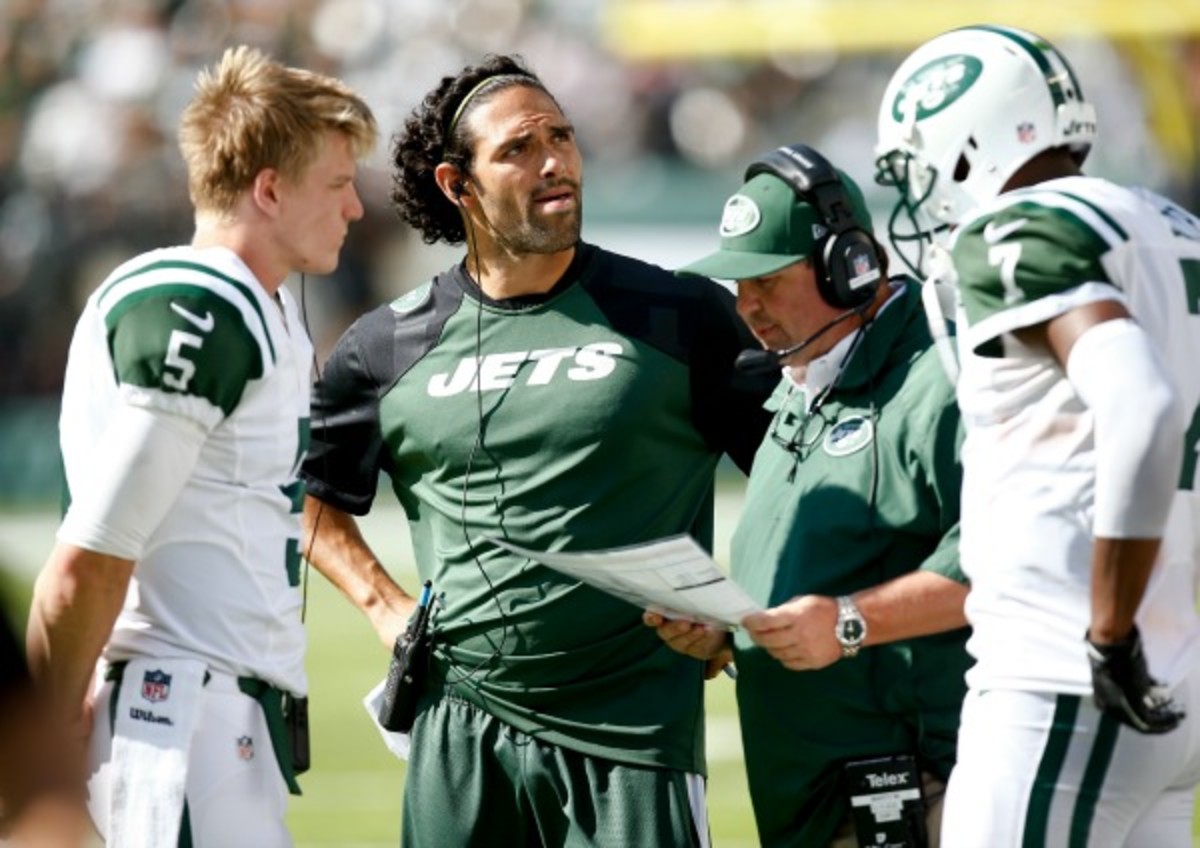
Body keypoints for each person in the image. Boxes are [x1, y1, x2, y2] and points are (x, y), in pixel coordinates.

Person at [299, 53, 774, 848]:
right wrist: (384, 606)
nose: (555, 160)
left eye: (562, 136)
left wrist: (742, 619)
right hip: (459, 729)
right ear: (459, 184)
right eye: (519, 148)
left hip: (635, 738)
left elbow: (796, 476)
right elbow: (311, 498)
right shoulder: (382, 347)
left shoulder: (680, 313)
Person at [24, 46, 377, 847]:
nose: (355, 207)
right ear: (269, 189)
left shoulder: (269, 309)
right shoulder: (203, 302)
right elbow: (91, 556)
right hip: (177, 719)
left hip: (217, 716)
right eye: (336, 183)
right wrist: (37, 755)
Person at [874, 23, 1200, 846]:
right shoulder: (1170, 223)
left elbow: (1142, 404)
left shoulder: (1020, 224)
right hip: (1165, 677)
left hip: (1063, 675)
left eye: (919, 167)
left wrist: (1110, 629)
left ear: (966, 138)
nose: (919, 197)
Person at [649, 143, 970, 848]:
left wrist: (849, 622)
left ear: (849, 268)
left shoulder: (939, 384)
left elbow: (1005, 569)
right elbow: (822, 577)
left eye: (764, 279)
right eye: (737, 285)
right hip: (813, 796)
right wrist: (730, 635)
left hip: (910, 792)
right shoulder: (803, 383)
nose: (746, 307)